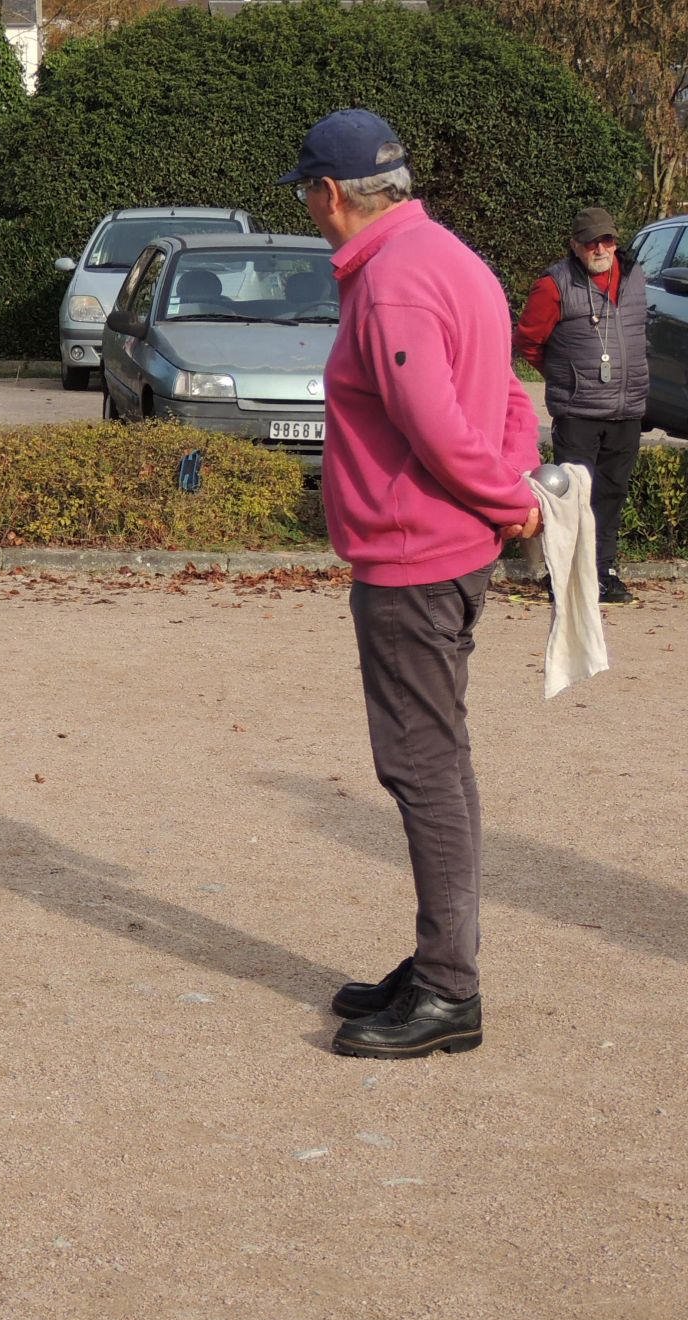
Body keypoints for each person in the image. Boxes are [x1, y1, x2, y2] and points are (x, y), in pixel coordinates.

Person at [282, 108, 542, 1059]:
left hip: (412, 560)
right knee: (441, 762)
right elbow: (508, 394)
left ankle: (448, 988)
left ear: (331, 193)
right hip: (451, 551)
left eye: (308, 195)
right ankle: (441, 957)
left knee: (422, 769)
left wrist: (507, 499)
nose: (310, 211)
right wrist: (509, 491)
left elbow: (434, 425)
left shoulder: (390, 282)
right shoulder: (453, 258)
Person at [513, 207, 649, 605]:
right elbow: (528, 342)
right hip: (578, 412)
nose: (600, 248)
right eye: (591, 242)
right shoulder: (554, 285)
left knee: (611, 495)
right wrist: (565, 375)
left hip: (626, 409)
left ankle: (603, 572)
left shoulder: (635, 277)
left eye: (607, 240)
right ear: (575, 246)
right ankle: (565, 576)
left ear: (616, 241)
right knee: (571, 500)